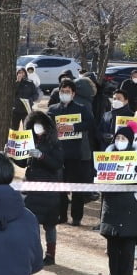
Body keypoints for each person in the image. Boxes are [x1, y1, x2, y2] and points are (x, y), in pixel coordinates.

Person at [13, 111, 63, 265]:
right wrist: (13, 154)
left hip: (49, 187)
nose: (37, 127)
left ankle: (50, 254)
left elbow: (57, 163)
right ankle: (33, 253)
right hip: (30, 186)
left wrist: (42, 156)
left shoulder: (55, 143)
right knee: (30, 222)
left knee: (50, 224)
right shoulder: (29, 141)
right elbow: (23, 163)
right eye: (35, 124)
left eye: (40, 124)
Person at [100, 125, 137, 275]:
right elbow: (100, 183)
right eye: (117, 138)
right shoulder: (107, 158)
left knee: (127, 248)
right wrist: (99, 173)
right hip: (111, 207)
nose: (120, 141)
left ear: (130, 141)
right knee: (112, 248)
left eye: (123, 139)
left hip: (129, 209)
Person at [47, 79, 94, 226]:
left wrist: (73, 127)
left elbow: (90, 123)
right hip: (58, 153)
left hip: (75, 153)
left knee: (76, 187)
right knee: (59, 186)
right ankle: (62, 215)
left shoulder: (82, 108)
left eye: (67, 92)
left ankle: (77, 216)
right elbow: (46, 126)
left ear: (73, 94)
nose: (64, 94)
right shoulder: (53, 109)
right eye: (62, 91)